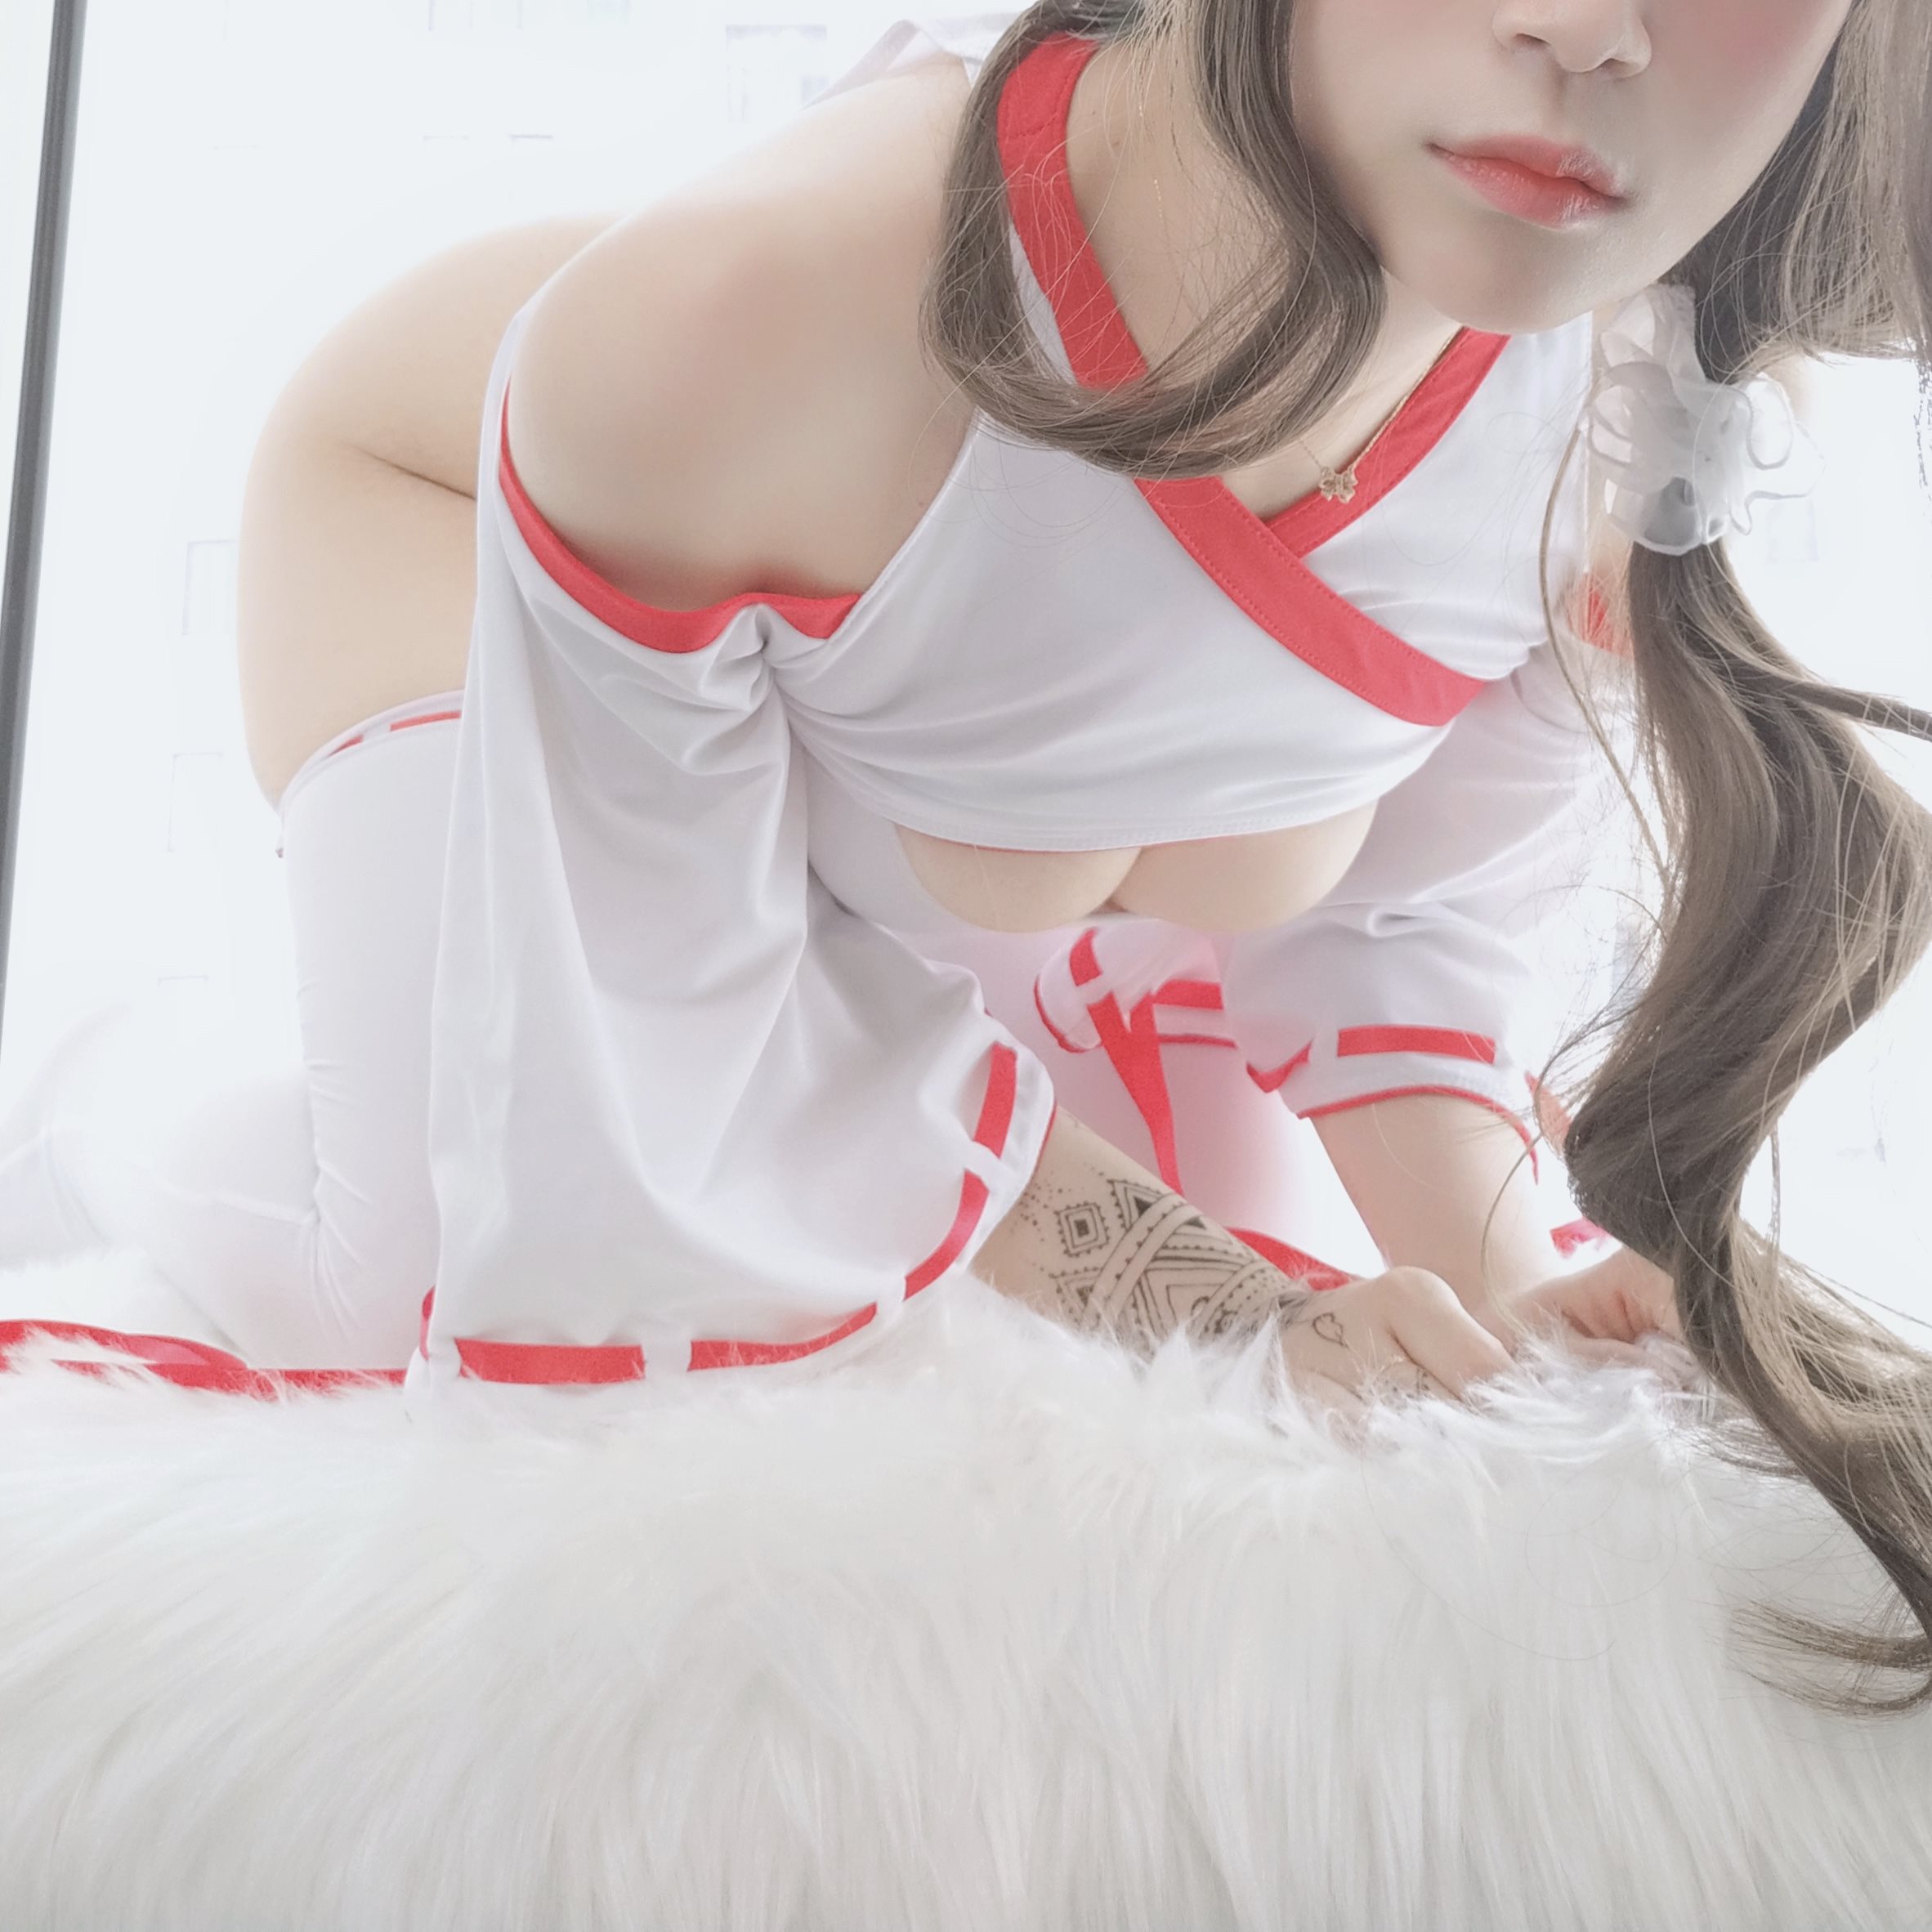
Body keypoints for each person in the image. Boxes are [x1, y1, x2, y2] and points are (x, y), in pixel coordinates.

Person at [4, 1, 1931, 1710]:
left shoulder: (1621, 383)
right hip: (461, 533)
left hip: (954, 766)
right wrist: (1221, 1305)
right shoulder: (711, 331)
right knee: (446, 1281)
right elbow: (676, 1034)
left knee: (1236, 1459)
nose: (1591, 26)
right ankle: (78, 1075)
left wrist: (1501, 1284)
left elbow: (1407, 910)